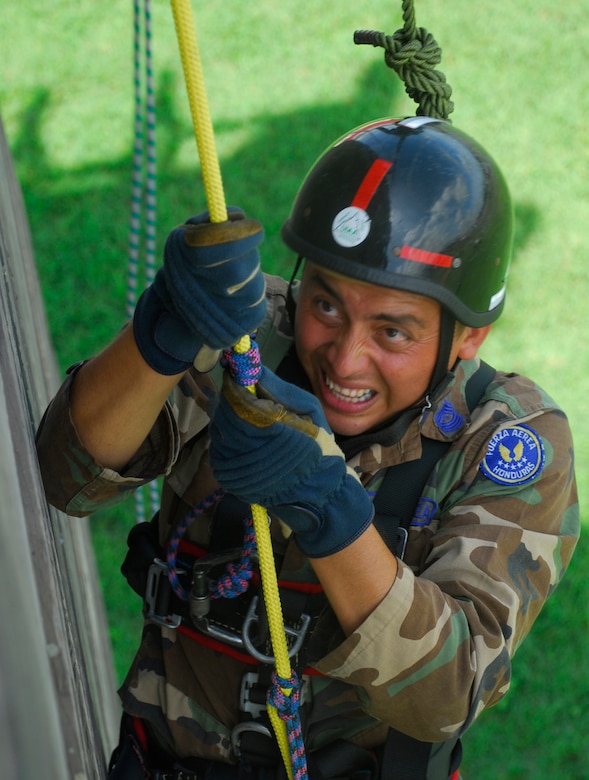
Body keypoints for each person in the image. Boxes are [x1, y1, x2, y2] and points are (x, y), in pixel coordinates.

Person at [36, 116, 579, 780]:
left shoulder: (505, 443)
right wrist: (163, 335)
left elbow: (445, 695)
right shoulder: (247, 339)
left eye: (392, 332)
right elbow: (70, 480)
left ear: (469, 336)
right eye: (324, 306)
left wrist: (326, 507)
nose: (345, 361)